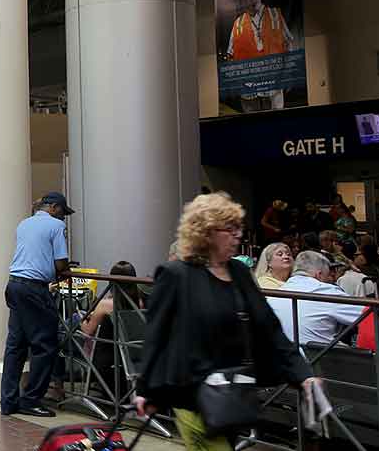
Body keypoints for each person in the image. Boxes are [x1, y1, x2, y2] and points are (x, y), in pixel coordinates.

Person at [134, 193, 319, 451]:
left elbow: (269, 328)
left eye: (238, 228)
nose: (238, 235)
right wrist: (146, 389)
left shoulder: (240, 273)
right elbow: (156, 336)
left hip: (234, 393)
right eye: (229, 229)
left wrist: (303, 375)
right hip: (193, 394)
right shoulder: (176, 275)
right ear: (206, 233)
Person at [1, 192, 73, 418]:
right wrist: (64, 269)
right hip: (34, 288)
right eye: (62, 211)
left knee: (16, 346)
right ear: (52, 207)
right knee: (45, 345)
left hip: (14, 285)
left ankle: (9, 401)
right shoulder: (55, 226)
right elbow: (60, 263)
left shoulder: (24, 223)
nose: (63, 217)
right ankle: (31, 400)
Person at [266, 251, 364, 346]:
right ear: (319, 274)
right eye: (328, 274)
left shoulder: (277, 293)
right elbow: (370, 314)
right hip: (317, 359)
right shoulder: (325, 291)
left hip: (281, 358)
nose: (331, 278)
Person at [79, 261, 141, 399]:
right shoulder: (139, 303)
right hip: (129, 359)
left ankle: (57, 387)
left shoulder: (104, 305)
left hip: (102, 360)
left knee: (64, 329)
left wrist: (81, 319)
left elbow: (87, 331)